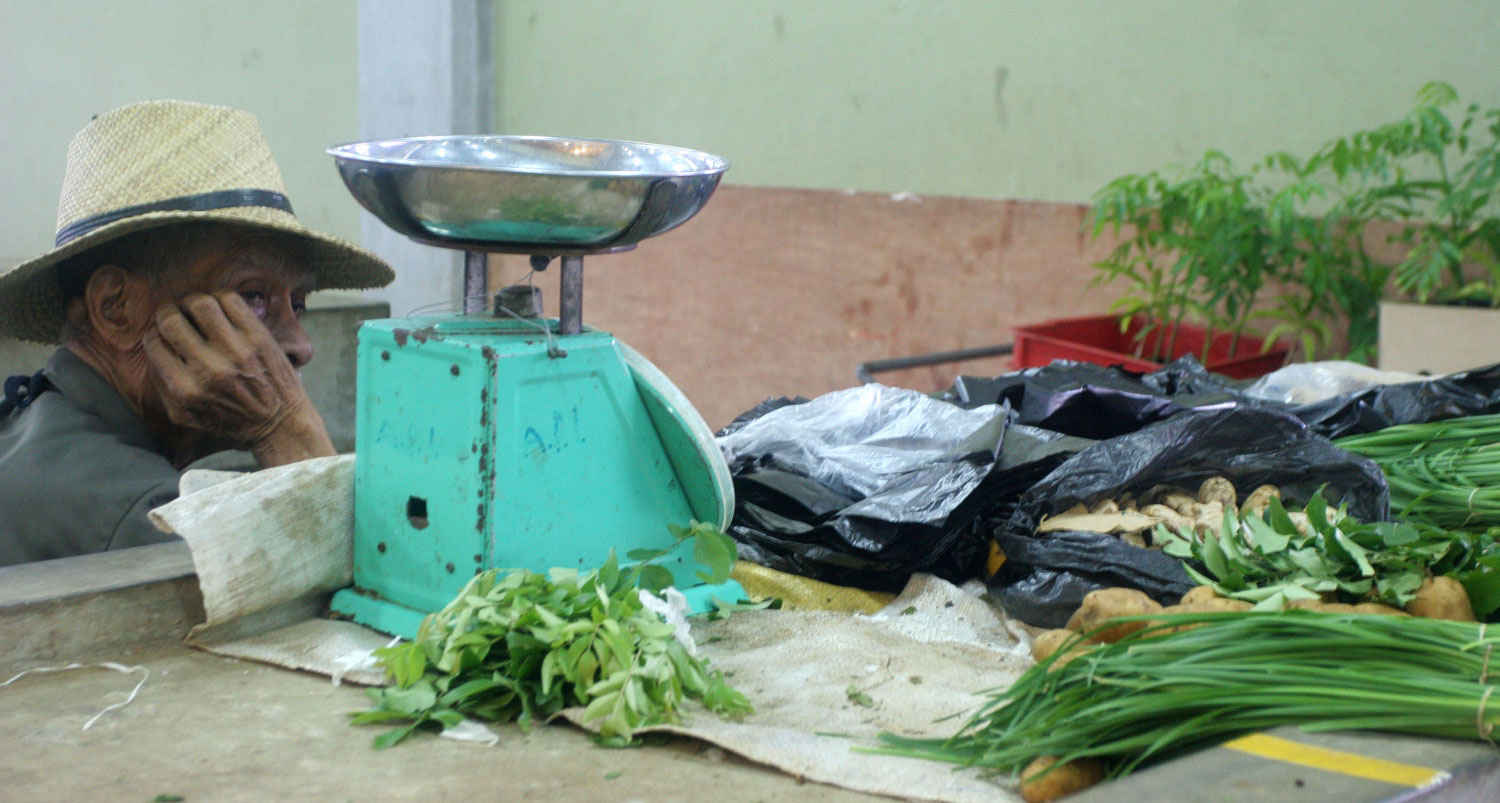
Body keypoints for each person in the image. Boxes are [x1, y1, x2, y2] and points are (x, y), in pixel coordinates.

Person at [0, 100, 394, 566]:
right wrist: (284, 429)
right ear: (115, 308)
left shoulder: (49, 421)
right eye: (253, 296)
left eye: (299, 306)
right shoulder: (135, 510)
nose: (300, 346)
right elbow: (355, 576)